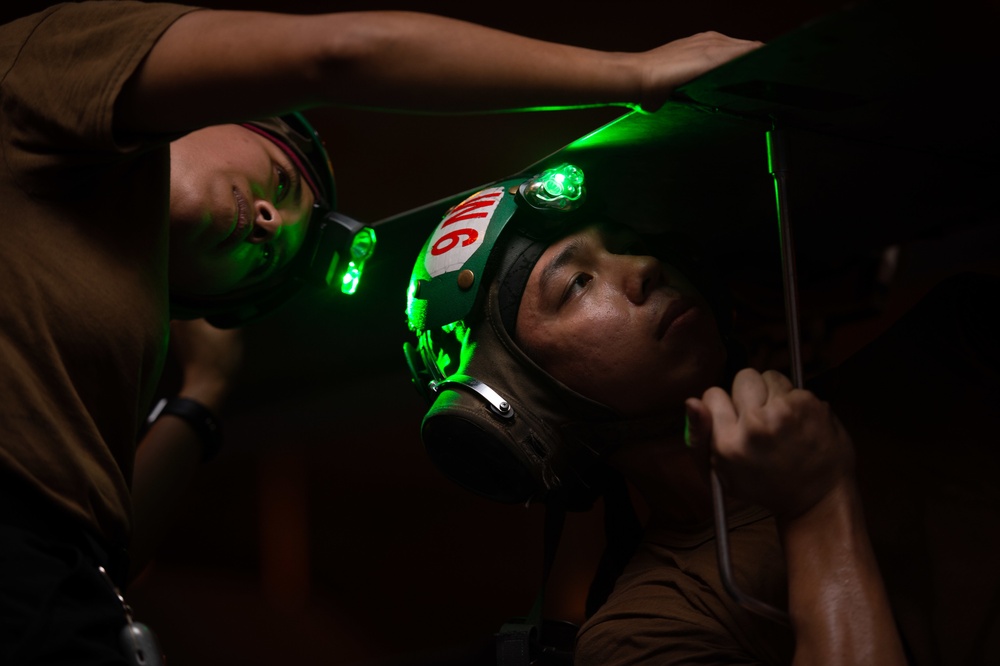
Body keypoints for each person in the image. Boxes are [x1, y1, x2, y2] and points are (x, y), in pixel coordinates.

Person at [0, 3, 763, 663]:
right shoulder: (42, 81)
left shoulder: (109, 340)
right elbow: (337, 53)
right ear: (222, 111)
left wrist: (202, 395)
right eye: (279, 182)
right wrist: (636, 73)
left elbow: (109, 556)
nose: (267, 220)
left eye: (263, 252)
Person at [403, 163, 999, 663]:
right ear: (520, 405)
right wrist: (817, 505)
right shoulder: (650, 630)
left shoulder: (953, 350)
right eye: (579, 282)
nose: (642, 268)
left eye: (625, 242)